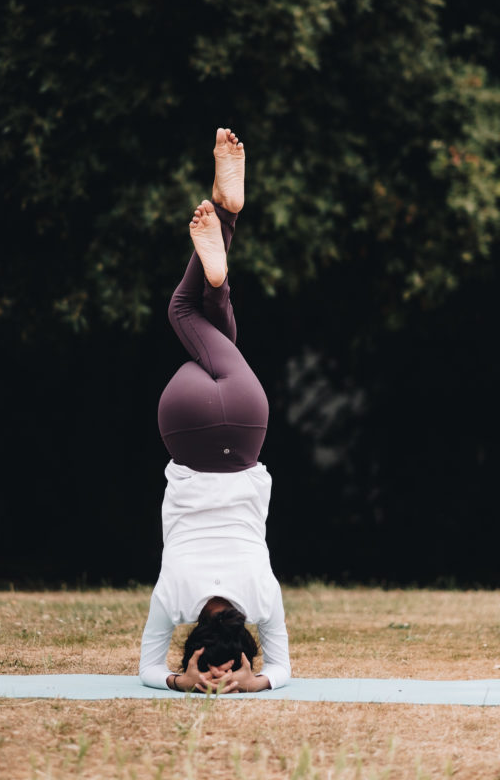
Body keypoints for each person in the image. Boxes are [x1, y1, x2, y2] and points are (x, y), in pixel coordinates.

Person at [139, 128, 291, 694]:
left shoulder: (264, 598)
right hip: (186, 422)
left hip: (249, 421)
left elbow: (285, 670)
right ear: (197, 645)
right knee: (184, 310)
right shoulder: (172, 597)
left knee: (208, 323)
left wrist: (256, 683)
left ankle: (227, 223)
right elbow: (148, 672)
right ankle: (222, 233)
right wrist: (182, 681)